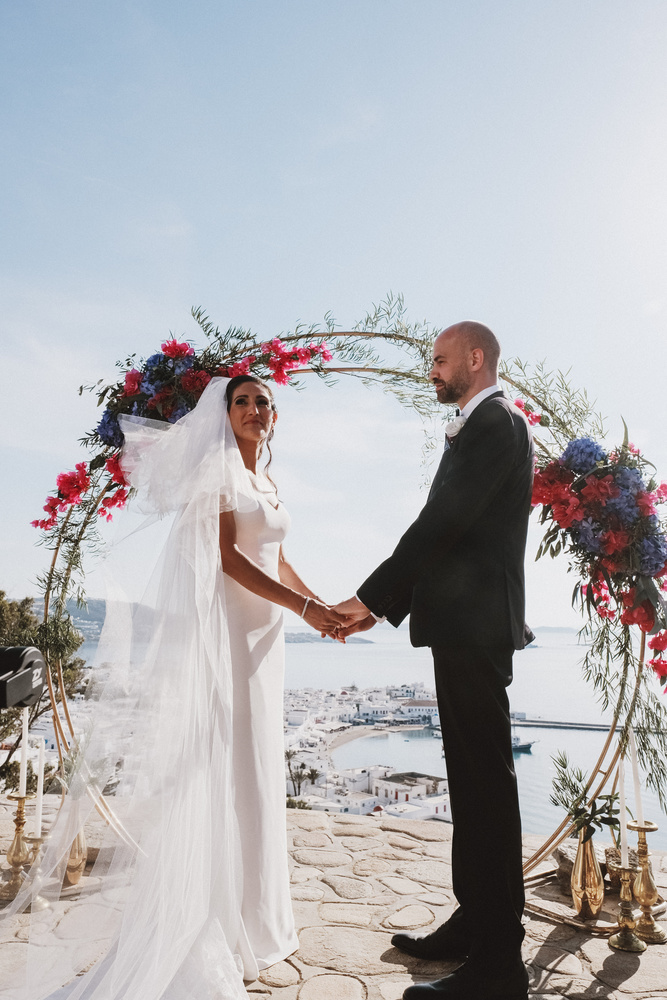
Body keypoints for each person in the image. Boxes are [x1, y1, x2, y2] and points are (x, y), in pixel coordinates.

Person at [6, 374, 347, 1000]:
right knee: (232, 769)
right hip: (231, 638)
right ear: (224, 414)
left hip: (266, 643)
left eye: (262, 402)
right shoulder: (216, 474)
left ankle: (263, 920)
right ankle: (226, 921)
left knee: (260, 770)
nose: (252, 410)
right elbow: (228, 560)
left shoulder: (266, 481)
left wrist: (319, 605)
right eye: (240, 402)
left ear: (276, 418)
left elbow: (274, 554)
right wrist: (302, 608)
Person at [335, 322, 534, 1000]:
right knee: (471, 783)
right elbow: (449, 532)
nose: (432, 371)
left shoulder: (495, 423)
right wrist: (386, 601)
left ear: (475, 359)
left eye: (441, 360)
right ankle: (473, 923)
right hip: (464, 627)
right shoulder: (479, 425)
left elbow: (439, 524)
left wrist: (370, 598)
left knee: (485, 788)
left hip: (477, 630)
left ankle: (499, 965)